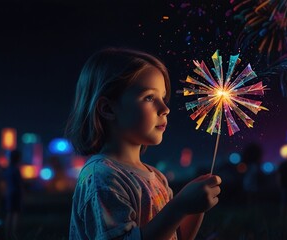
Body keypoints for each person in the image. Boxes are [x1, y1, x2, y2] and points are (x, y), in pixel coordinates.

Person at [67, 48, 221, 240]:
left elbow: (176, 236)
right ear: (107, 109)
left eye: (163, 98)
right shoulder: (102, 178)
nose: (165, 109)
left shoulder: (157, 177)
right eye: (149, 97)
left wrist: (193, 207)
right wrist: (179, 206)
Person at [5, 150, 23, 240]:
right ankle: (13, 233)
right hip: (16, 192)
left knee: (9, 212)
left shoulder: (8, 168)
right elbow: (19, 183)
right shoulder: (16, 169)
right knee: (16, 213)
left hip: (9, 192)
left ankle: (7, 233)